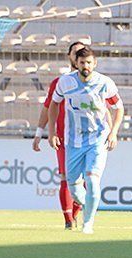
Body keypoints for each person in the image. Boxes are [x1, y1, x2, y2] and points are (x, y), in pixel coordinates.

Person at [48, 47, 124, 235]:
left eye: (89, 63)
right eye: (82, 63)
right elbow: (54, 104)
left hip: (97, 139)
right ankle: (88, 202)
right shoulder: (65, 83)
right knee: (74, 186)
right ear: (77, 63)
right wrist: (51, 132)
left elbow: (119, 108)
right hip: (73, 141)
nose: (86, 66)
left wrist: (113, 132)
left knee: (92, 180)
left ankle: (88, 223)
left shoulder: (104, 83)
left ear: (94, 63)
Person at [32, 41, 87, 229]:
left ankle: (76, 214)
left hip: (88, 138)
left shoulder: (96, 82)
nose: (79, 55)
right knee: (65, 177)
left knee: (86, 179)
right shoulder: (60, 82)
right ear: (70, 57)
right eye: (76, 52)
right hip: (65, 138)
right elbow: (49, 107)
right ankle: (68, 220)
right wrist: (41, 132)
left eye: (82, 52)